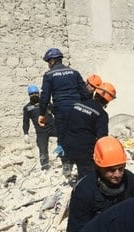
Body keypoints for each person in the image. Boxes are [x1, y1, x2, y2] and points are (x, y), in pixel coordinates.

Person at [66, 136, 134, 232]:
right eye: (111, 170)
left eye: (121, 168)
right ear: (99, 167)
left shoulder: (129, 179)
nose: (117, 174)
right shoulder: (84, 191)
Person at [37, 47, 89, 175]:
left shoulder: (49, 75)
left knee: (63, 136)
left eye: (48, 62)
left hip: (61, 110)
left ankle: (67, 164)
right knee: (79, 134)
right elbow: (85, 93)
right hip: (78, 109)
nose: (48, 65)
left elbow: (44, 97)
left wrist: (42, 114)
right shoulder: (74, 73)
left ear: (53, 61)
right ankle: (82, 161)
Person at [63, 82, 115, 181]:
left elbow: (65, 125)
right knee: (88, 177)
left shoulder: (76, 105)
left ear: (96, 93)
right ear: (108, 101)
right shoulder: (101, 114)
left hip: (68, 145)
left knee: (80, 164)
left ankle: (70, 166)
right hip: (84, 151)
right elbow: (102, 139)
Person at [23, 84, 57, 170]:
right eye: (32, 94)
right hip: (41, 131)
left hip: (52, 127)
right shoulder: (28, 108)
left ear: (38, 93)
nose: (34, 95)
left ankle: (67, 160)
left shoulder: (46, 102)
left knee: (66, 138)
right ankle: (45, 167)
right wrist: (25, 133)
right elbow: (25, 121)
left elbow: (56, 112)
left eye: (35, 93)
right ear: (29, 95)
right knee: (42, 150)